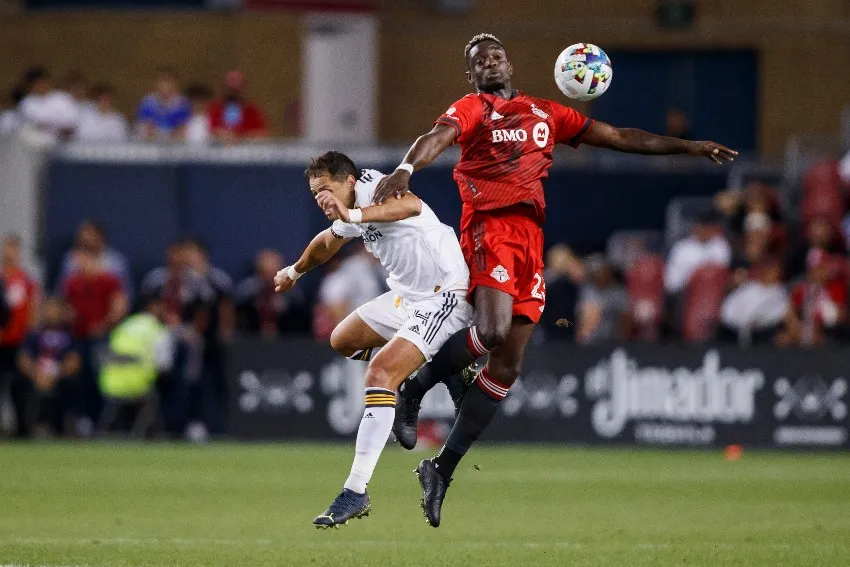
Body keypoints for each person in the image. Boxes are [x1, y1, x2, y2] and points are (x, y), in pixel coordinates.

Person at [373, 33, 737, 527]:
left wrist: (688, 146)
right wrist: (405, 168)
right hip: (490, 227)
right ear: (471, 75)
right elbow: (436, 137)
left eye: (498, 56)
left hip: (531, 239)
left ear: (511, 65)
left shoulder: (546, 112)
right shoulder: (473, 108)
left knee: (506, 368)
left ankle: (440, 470)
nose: (491, 63)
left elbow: (620, 136)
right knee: (493, 330)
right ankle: (414, 390)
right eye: (480, 60)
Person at [273, 151, 471, 528]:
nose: (321, 199)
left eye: (326, 189)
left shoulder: (374, 188)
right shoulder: (349, 208)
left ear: (349, 182)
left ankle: (356, 490)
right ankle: (443, 367)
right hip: (407, 297)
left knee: (380, 374)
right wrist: (295, 271)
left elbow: (411, 205)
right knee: (342, 340)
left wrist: (353, 216)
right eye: (315, 194)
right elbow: (328, 242)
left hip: (443, 295)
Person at [13, 297, 80, 437]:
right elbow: (23, 358)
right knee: (16, 383)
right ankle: (22, 430)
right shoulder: (34, 334)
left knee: (73, 384)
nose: (51, 313)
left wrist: (56, 375)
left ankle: (60, 428)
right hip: (35, 374)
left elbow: (74, 360)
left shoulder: (69, 335)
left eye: (55, 309)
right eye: (49, 309)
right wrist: (35, 374)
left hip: (58, 375)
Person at [136, 68, 190, 141]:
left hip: (174, 141)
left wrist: (169, 137)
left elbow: (182, 126)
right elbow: (145, 124)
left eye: (168, 82)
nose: (165, 85)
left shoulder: (182, 103)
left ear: (175, 84)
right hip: (152, 140)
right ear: (156, 84)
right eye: (162, 82)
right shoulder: (148, 102)